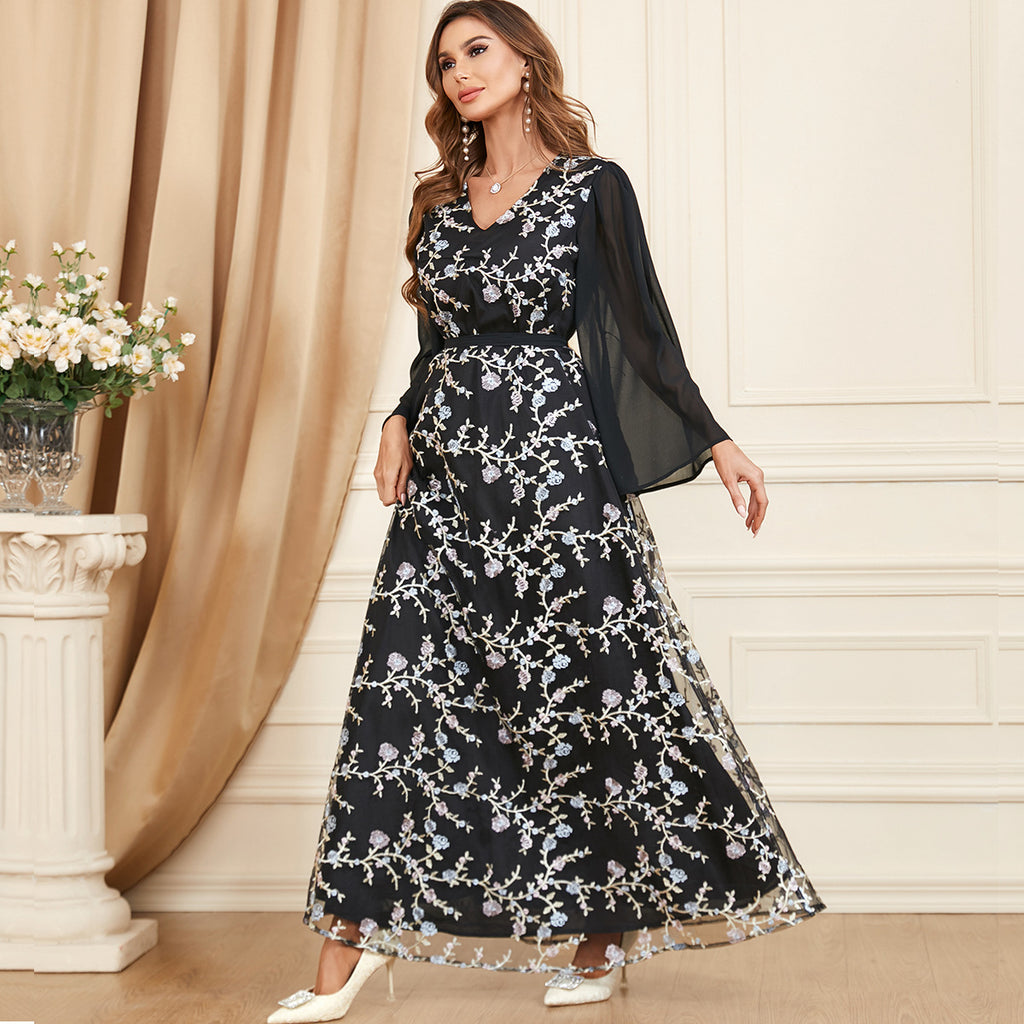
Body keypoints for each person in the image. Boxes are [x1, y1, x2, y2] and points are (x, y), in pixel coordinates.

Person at [268, 2, 826, 1020]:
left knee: (585, 700)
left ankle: (599, 935)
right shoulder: (438, 202)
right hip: (447, 495)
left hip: (558, 483)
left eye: (476, 50)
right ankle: (347, 945)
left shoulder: (590, 188)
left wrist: (713, 438)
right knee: (399, 698)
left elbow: (640, 332)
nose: (459, 72)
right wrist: (398, 417)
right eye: (444, 62)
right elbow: (437, 351)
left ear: (525, 61)